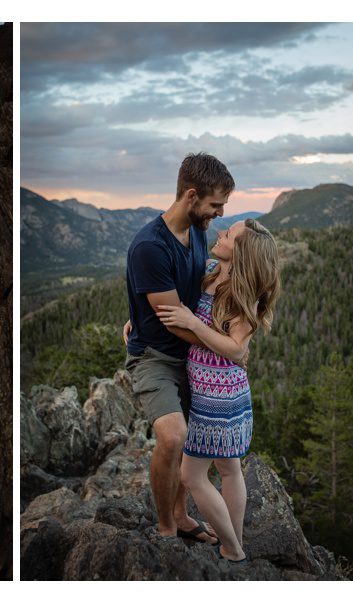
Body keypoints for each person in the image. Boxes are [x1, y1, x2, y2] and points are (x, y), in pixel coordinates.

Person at [121, 153, 233, 546]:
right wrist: (227, 348)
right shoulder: (150, 246)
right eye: (216, 204)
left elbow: (191, 292)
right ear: (191, 195)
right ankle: (166, 528)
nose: (220, 213)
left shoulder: (198, 231)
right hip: (155, 357)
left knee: (197, 439)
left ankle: (183, 516)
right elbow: (176, 323)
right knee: (173, 436)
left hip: (192, 358)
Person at [155, 218, 280, 564]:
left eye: (230, 235)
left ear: (242, 253)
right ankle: (233, 540)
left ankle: (233, 549)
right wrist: (140, 323)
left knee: (191, 475)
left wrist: (194, 323)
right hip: (211, 388)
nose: (221, 233)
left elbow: (237, 349)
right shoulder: (210, 271)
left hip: (219, 396)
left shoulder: (244, 294)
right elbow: (170, 300)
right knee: (228, 467)